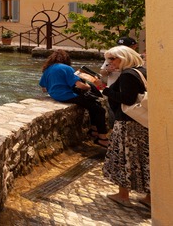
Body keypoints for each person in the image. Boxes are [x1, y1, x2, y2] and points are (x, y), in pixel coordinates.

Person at [101, 45, 150, 209]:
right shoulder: (142, 71)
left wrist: (104, 89)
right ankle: (149, 198)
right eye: (109, 59)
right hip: (141, 123)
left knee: (125, 158)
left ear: (125, 57)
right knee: (143, 160)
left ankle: (123, 195)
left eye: (113, 58)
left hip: (128, 123)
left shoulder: (128, 75)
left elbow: (127, 99)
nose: (110, 62)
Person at [39, 49, 109, 146]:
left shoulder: (48, 69)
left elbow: (44, 88)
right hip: (67, 95)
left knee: (94, 105)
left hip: (55, 95)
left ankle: (94, 130)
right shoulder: (67, 68)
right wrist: (88, 86)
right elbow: (80, 85)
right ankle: (102, 138)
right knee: (100, 110)